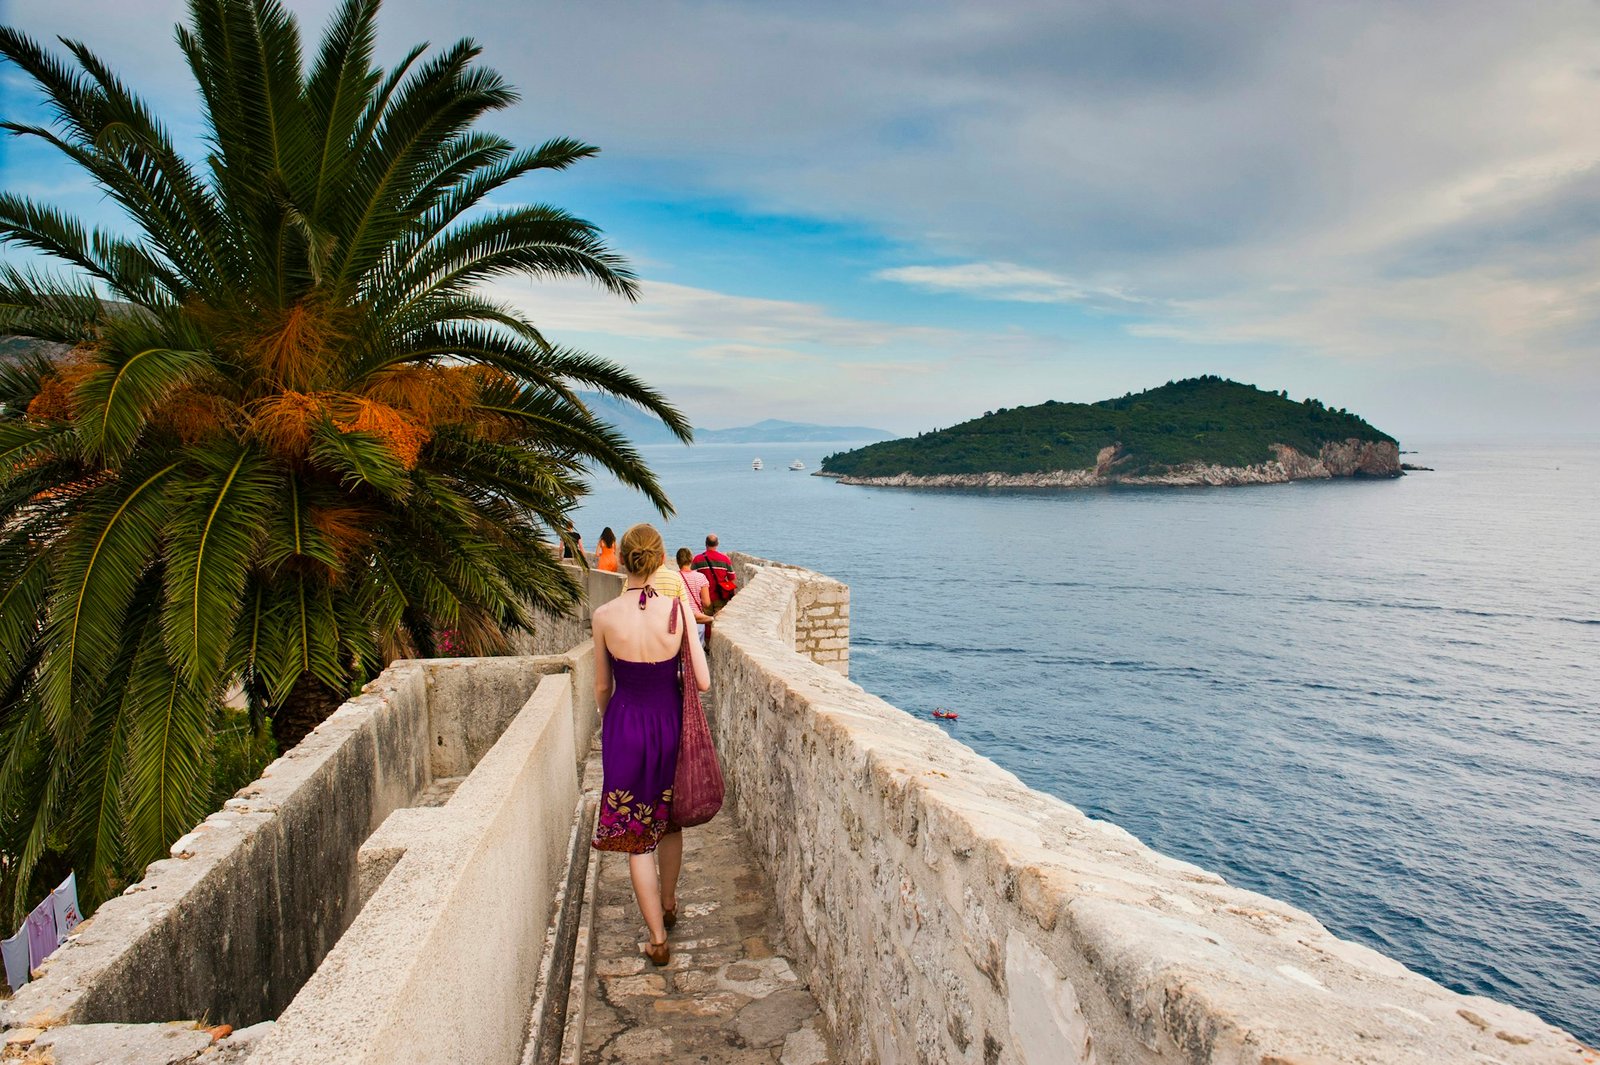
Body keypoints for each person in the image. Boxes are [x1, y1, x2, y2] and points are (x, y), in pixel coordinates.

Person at [590, 524, 710, 967]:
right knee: (670, 822)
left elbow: (603, 686)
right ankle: (670, 901)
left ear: (622, 560)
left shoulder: (604, 616)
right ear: (660, 561)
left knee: (636, 835)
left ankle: (657, 937)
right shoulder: (677, 611)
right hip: (670, 723)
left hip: (625, 726)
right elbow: (703, 680)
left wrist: (611, 720)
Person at [691, 533, 738, 614]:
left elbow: (692, 578)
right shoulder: (725, 559)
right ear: (717, 544)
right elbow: (732, 579)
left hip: (704, 597)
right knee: (719, 621)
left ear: (706, 544)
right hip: (720, 597)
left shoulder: (697, 559)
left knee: (707, 622)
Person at [676, 548, 713, 643]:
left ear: (677, 561)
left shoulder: (675, 577)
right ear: (691, 560)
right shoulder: (701, 577)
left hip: (680, 619)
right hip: (698, 621)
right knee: (697, 652)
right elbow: (706, 603)